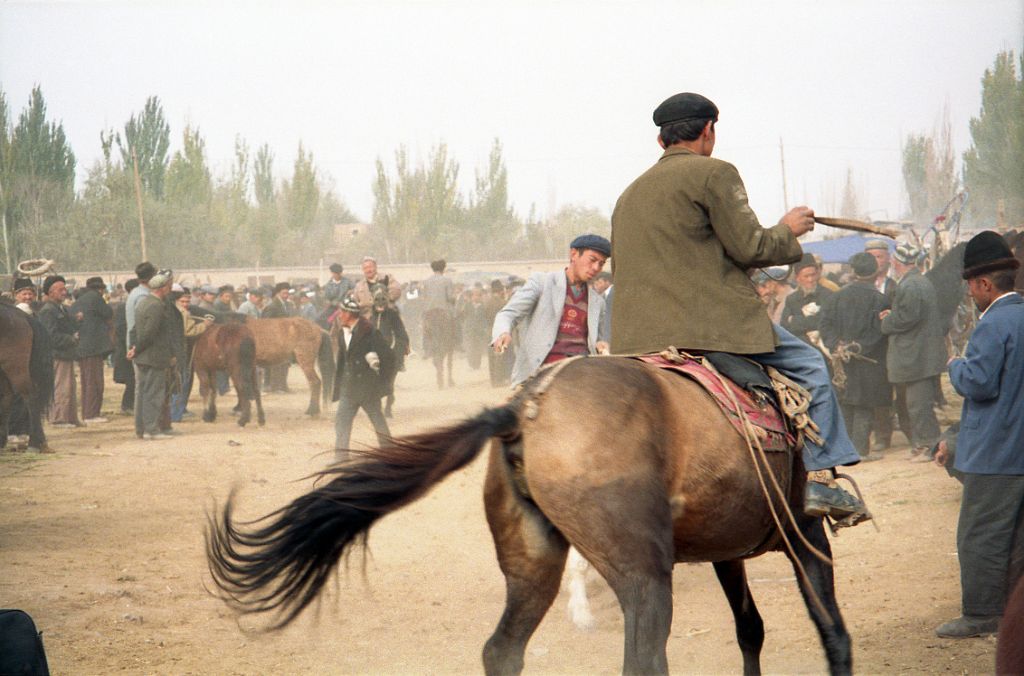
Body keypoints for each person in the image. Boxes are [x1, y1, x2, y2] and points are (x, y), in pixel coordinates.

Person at [610, 92, 867, 523]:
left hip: (636, 339)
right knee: (810, 366)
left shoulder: (628, 194)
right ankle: (823, 480)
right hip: (708, 328)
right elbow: (752, 246)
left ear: (661, 141)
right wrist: (789, 230)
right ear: (708, 130)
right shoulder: (715, 172)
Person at [933, 231, 1024, 638]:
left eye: (971, 285)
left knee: (979, 535)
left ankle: (982, 613)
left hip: (995, 451)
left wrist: (955, 366)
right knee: (1018, 536)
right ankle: (1013, 610)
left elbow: (981, 383)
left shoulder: (992, 325)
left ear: (985, 283)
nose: (970, 293)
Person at [491, 234, 611, 386]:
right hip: (542, 372)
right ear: (573, 254)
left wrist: (601, 344)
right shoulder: (542, 283)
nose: (596, 268)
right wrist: (503, 332)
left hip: (582, 373)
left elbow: (598, 338)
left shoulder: (597, 301)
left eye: (601, 264)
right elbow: (508, 314)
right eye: (592, 260)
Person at [818, 252, 891, 460]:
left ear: (853, 271)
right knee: (864, 404)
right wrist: (859, 347)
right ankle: (860, 450)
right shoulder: (881, 299)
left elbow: (824, 325)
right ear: (876, 271)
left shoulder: (836, 297)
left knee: (846, 403)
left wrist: (836, 345)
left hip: (841, 360)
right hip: (870, 361)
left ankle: (846, 450)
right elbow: (881, 330)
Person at [879, 242, 946, 458]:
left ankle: (929, 446)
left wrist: (887, 320)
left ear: (897, 262)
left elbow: (906, 318)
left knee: (919, 406)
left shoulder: (909, 286)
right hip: (921, 355)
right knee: (918, 404)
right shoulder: (918, 282)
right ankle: (924, 445)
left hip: (917, 357)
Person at [331, 295, 393, 461]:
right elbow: (343, 361)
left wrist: (380, 380)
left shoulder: (370, 332)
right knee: (342, 422)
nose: (339, 315)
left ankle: (390, 454)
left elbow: (388, 357)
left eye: (342, 312)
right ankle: (341, 458)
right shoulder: (341, 333)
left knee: (378, 421)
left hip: (367, 388)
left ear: (349, 314)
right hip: (349, 387)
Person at [128, 270, 177, 440]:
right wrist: (138, 348)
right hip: (154, 357)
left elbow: (135, 329)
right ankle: (152, 430)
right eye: (168, 286)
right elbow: (150, 333)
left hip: (143, 357)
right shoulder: (157, 306)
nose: (170, 289)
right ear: (162, 288)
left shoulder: (143, 303)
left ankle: (141, 429)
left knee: (142, 394)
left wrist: (134, 348)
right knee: (154, 394)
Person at [864, 238, 899, 452]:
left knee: (889, 391)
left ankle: (886, 433)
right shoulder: (858, 286)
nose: (876, 261)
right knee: (872, 391)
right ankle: (876, 434)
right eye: (872, 257)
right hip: (869, 348)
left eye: (879, 256)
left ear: (888, 259)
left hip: (891, 345)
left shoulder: (896, 286)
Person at [37, 275, 81, 429]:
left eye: (65, 289)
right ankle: (59, 419)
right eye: (60, 289)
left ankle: (70, 417)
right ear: (50, 292)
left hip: (66, 354)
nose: (64, 292)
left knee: (69, 387)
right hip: (57, 355)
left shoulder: (60, 308)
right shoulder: (48, 311)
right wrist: (71, 339)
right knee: (60, 388)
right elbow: (50, 336)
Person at [72, 276, 113, 424]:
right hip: (93, 347)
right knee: (94, 382)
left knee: (86, 381)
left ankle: (87, 412)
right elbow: (109, 313)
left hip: (82, 347)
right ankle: (91, 414)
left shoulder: (80, 300)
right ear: (100, 289)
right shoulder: (96, 298)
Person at [781, 253, 833, 348]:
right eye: (806, 276)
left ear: (817, 274)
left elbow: (826, 321)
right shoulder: (792, 299)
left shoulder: (828, 295)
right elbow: (785, 326)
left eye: (813, 275)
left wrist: (795, 320)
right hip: (800, 349)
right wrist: (812, 321)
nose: (810, 279)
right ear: (797, 278)